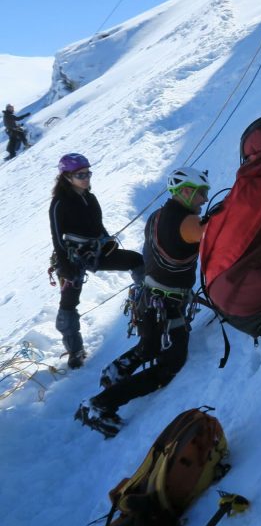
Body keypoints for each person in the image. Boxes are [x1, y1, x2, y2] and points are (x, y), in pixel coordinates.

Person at [75, 167, 211, 438]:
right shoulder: (187, 224)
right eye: (201, 194)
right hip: (167, 304)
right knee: (170, 364)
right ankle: (100, 405)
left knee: (149, 345)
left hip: (149, 299)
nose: (204, 200)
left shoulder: (158, 216)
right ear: (185, 192)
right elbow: (215, 231)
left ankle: (115, 371)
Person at [49, 153, 143, 370]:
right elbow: (57, 238)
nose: (86, 177)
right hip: (71, 259)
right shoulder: (59, 203)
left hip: (96, 252)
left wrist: (108, 241)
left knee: (136, 260)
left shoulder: (90, 198)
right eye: (80, 174)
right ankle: (75, 351)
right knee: (69, 304)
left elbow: (98, 227)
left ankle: (145, 307)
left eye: (87, 173)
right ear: (67, 177)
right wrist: (66, 268)